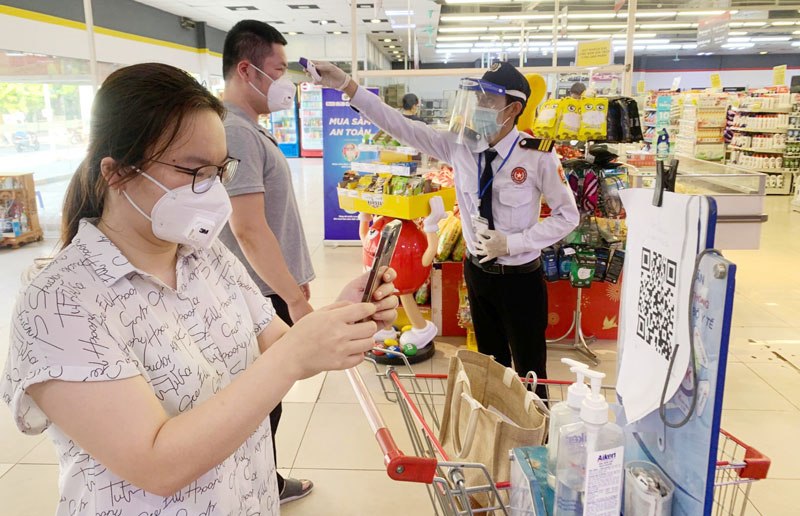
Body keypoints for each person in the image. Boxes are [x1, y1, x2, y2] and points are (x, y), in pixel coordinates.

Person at [0, 62, 398, 516]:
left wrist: (340, 316)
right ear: (116, 172)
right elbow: (156, 464)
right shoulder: (59, 303)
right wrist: (293, 356)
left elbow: (280, 347)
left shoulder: (206, 258)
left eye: (217, 171)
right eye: (192, 170)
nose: (209, 191)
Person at [309, 61, 579, 398]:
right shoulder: (460, 144)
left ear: (513, 109)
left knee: (530, 370)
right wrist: (348, 85)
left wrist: (513, 242)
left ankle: (536, 440)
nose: (478, 108)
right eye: (477, 98)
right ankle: (493, 429)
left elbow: (568, 217)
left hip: (520, 278)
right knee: (489, 366)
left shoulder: (538, 156)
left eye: (488, 102)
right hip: (478, 274)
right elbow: (400, 125)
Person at [217, 20, 316, 503]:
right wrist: (294, 299)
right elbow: (248, 228)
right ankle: (260, 487)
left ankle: (264, 481)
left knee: (265, 398)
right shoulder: (234, 131)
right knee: (261, 399)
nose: (286, 82)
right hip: (258, 294)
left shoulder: (244, 129)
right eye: (278, 70)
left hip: (267, 287)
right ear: (247, 69)